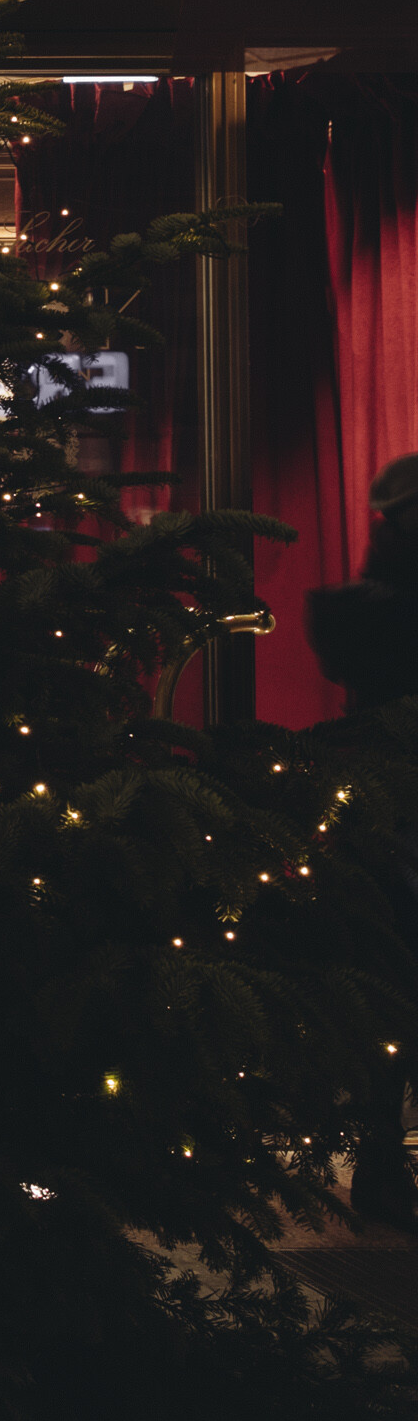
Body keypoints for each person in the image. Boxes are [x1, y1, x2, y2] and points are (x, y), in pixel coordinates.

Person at [306, 452, 418, 1229]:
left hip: (386, 801)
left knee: (388, 992)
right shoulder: (386, 603)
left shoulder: (369, 601)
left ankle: (381, 1164)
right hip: (394, 802)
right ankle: (380, 1160)